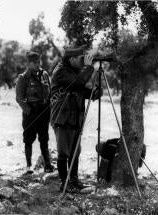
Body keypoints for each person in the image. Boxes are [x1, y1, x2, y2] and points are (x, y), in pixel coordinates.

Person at [50, 46, 103, 192]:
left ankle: (74, 180)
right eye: (80, 58)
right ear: (71, 59)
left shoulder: (76, 72)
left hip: (75, 117)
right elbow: (77, 83)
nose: (82, 61)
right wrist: (90, 68)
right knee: (64, 152)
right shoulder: (60, 71)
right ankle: (64, 184)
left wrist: (97, 87)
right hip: (62, 117)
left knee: (75, 151)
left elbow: (86, 92)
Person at [16, 51, 55, 174]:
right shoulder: (23, 78)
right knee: (28, 139)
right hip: (30, 112)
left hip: (43, 111)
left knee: (44, 138)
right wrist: (28, 111)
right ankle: (29, 166)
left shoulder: (44, 75)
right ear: (28, 64)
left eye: (39, 62)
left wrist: (48, 108)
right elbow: (19, 98)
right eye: (35, 62)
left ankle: (47, 165)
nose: (38, 64)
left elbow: (50, 93)